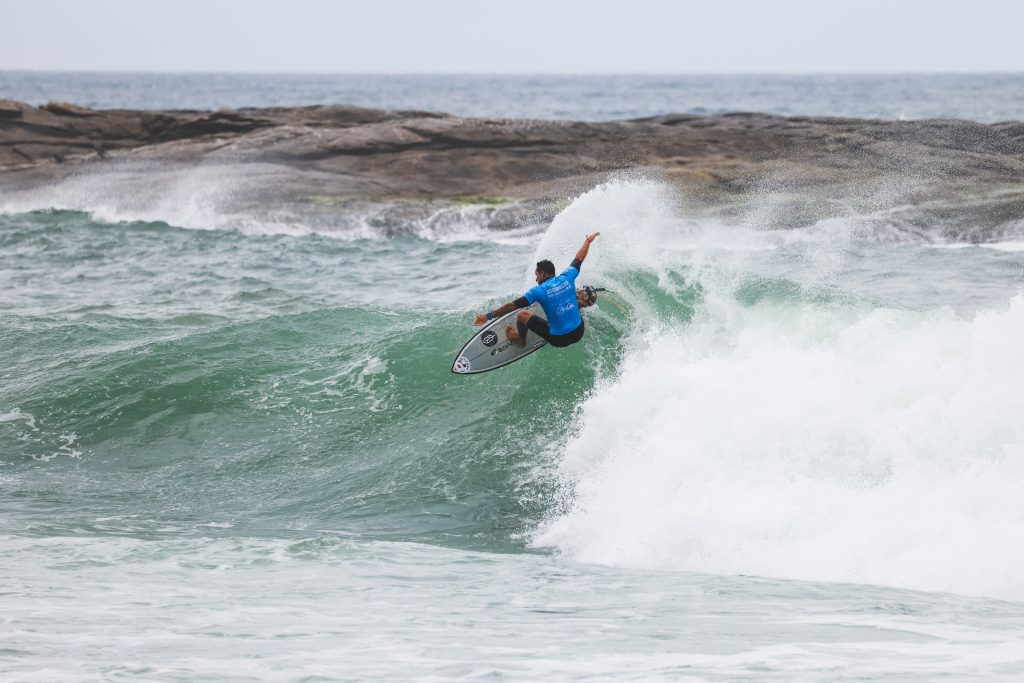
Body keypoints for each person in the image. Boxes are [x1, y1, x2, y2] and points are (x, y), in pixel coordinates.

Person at [474, 232, 601, 348]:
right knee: (577, 293)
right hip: (579, 331)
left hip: (559, 339)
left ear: (543, 274)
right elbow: (579, 258)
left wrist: (488, 316)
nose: (536, 279)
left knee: (522, 315)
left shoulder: (538, 290)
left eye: (537, 275)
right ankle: (580, 305)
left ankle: (520, 340)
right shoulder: (567, 277)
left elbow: (512, 306)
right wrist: (588, 241)